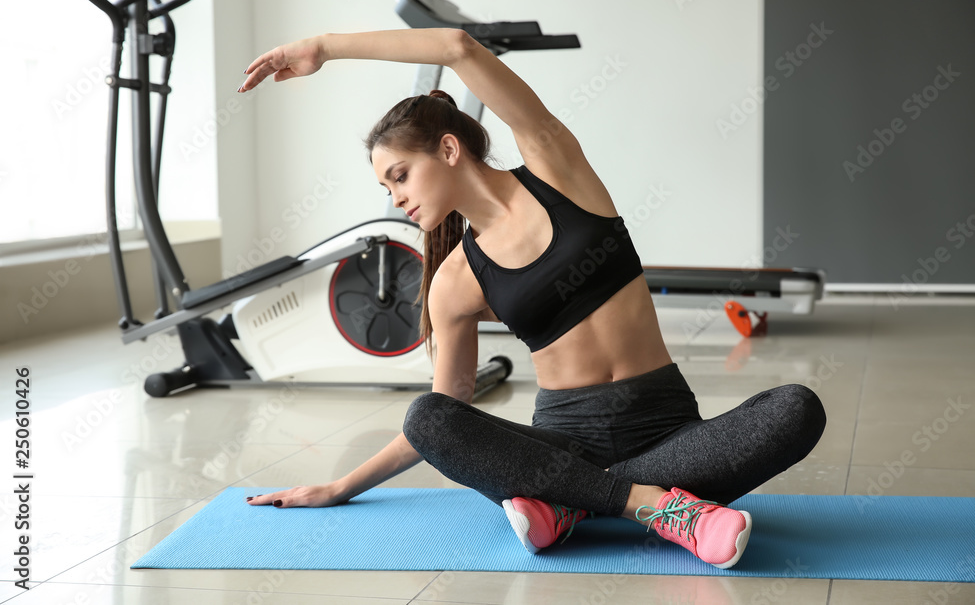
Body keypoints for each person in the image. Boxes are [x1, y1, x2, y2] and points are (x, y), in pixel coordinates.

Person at [239, 28, 826, 569]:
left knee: (797, 409)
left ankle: (572, 504)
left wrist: (324, 47)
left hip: (667, 431)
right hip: (560, 441)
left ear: (448, 150)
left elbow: (459, 48)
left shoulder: (556, 168)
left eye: (399, 175)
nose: (395, 197)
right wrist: (340, 487)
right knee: (429, 417)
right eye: (385, 186)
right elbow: (445, 415)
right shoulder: (454, 281)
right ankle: (661, 508)